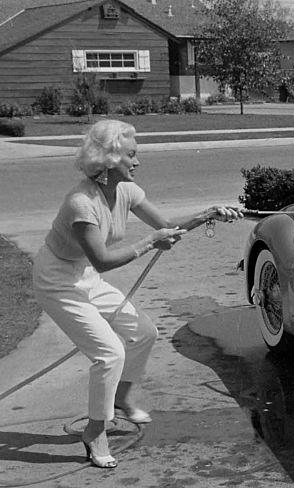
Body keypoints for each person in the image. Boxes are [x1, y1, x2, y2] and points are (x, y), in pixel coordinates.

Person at [32, 119, 186, 468]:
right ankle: (94, 431)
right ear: (109, 159)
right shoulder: (81, 203)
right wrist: (150, 242)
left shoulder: (127, 191)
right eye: (131, 155)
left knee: (144, 332)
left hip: (83, 275)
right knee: (110, 354)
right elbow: (101, 260)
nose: (137, 162)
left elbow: (166, 228)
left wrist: (210, 214)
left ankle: (120, 399)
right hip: (57, 280)